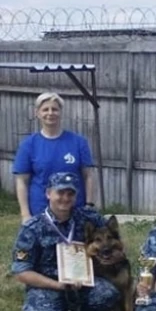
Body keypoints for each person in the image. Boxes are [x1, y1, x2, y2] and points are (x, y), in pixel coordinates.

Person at [10, 172, 119, 311]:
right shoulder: (32, 228)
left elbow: (112, 237)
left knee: (108, 294)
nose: (65, 198)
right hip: (48, 285)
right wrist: (59, 285)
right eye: (60, 192)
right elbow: (21, 272)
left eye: (70, 194)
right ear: (48, 193)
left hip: (83, 282)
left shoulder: (88, 218)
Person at [13, 92, 96, 222]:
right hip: (40, 211)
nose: (50, 113)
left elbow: (88, 176)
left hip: (75, 211)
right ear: (38, 113)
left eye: (54, 109)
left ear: (60, 112)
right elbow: (22, 181)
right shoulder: (28, 145)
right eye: (45, 109)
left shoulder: (79, 142)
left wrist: (89, 205)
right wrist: (25, 214)